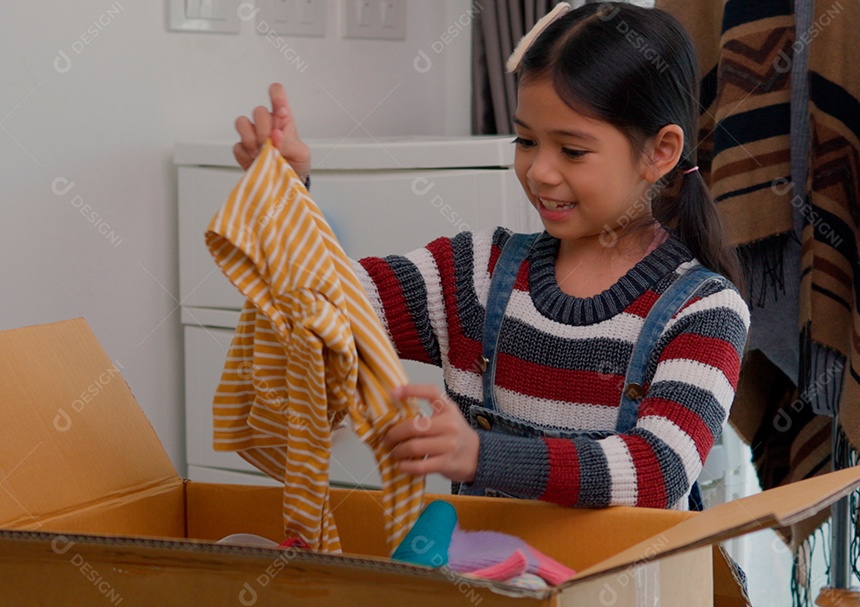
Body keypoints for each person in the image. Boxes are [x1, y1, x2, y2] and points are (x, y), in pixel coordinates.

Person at [232, 2, 748, 511]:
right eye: (525, 140)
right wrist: (284, 194)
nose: (539, 171)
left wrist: (481, 455)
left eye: (571, 150)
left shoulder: (705, 311)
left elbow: (657, 470)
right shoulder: (474, 272)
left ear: (660, 151)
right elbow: (330, 301)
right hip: (492, 586)